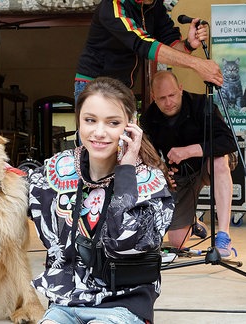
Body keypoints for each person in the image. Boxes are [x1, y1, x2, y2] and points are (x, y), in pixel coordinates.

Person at [27, 77, 174, 324]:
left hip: (123, 304)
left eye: (113, 122)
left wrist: (126, 169)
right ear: (79, 121)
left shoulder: (149, 180)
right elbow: (9, 193)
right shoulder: (57, 168)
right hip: (67, 303)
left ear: (131, 125)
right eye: (90, 120)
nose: (99, 132)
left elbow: (124, 243)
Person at [140, 70, 238, 258]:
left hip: (208, 165)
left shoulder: (202, 104)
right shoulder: (149, 118)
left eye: (172, 95)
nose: (168, 103)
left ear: (181, 89)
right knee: (177, 242)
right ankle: (194, 223)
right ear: (153, 97)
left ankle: (224, 234)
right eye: (162, 98)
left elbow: (229, 142)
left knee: (219, 161)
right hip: (182, 175)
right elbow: (147, 156)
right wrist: (162, 169)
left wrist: (189, 151)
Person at [74, 0, 223, 100]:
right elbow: (142, 44)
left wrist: (189, 44)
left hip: (123, 87)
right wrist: (197, 64)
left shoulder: (154, 6)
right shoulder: (113, 5)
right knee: (97, 144)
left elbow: (171, 44)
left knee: (125, 145)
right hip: (94, 83)